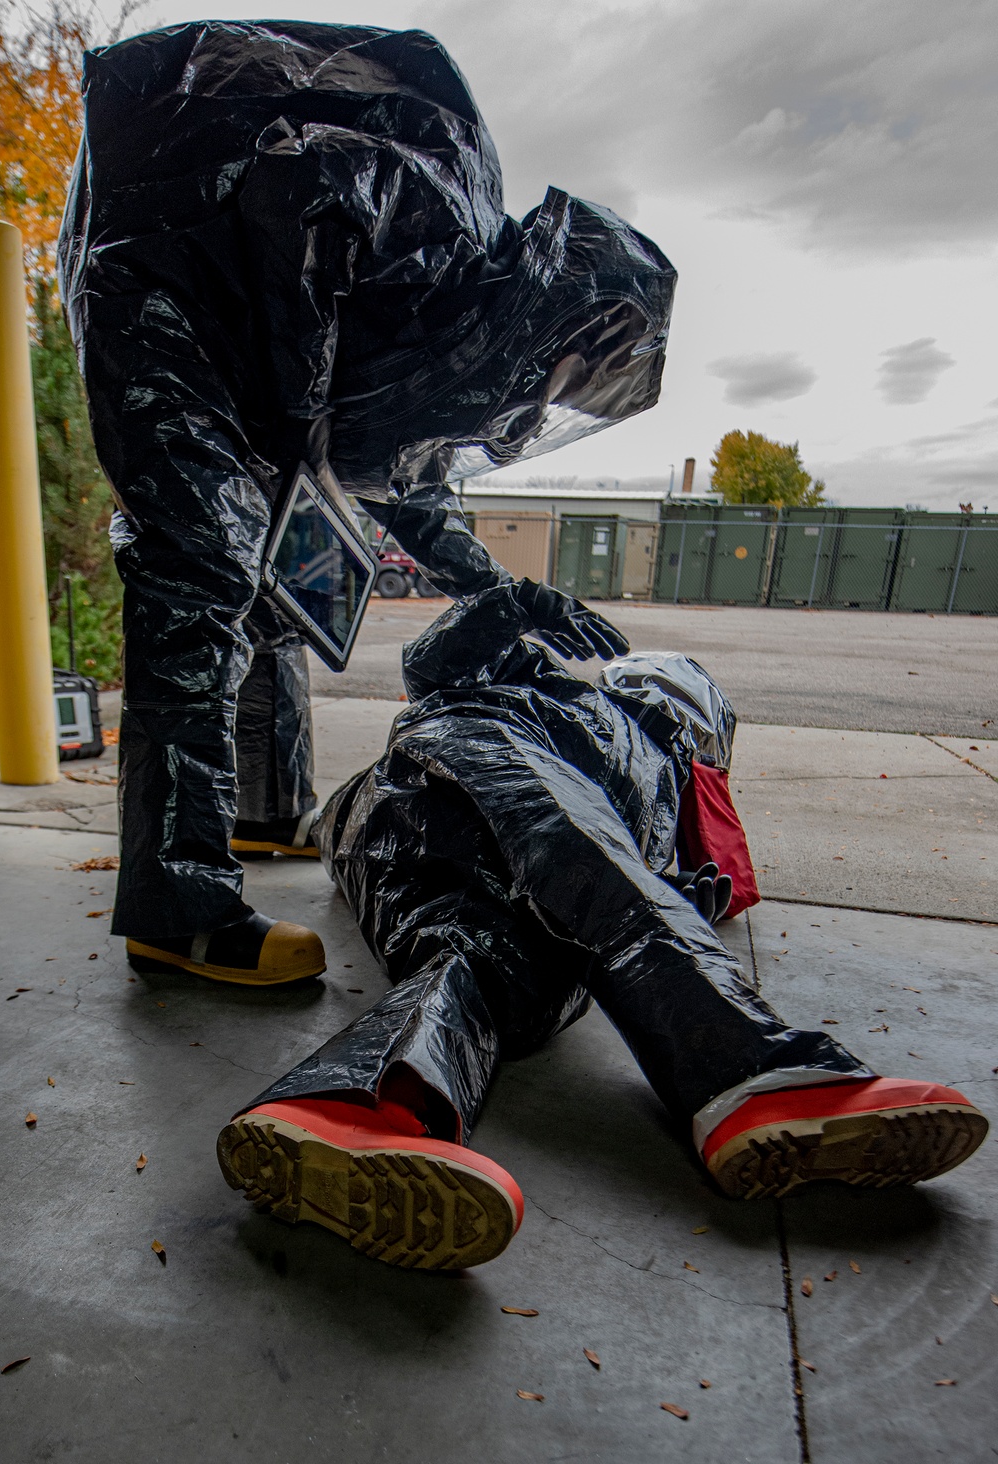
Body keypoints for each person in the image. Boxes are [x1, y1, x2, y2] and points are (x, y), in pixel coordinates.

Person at [58, 19, 674, 983]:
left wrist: (494, 589)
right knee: (203, 572)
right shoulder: (445, 224)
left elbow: (404, 474)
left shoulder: (456, 324)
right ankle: (179, 914)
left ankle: (259, 813)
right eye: (563, 380)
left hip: (225, 312)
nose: (544, 401)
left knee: (275, 584)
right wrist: (298, 437)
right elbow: (293, 194)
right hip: (163, 282)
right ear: (567, 318)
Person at [216, 586, 988, 1270]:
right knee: (581, 870)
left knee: (504, 977)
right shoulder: (562, 695)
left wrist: (685, 893)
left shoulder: (661, 793)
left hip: (399, 865)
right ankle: (749, 1071)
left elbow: (613, 878)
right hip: (448, 777)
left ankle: (354, 1107)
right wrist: (512, 605)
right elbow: (433, 670)